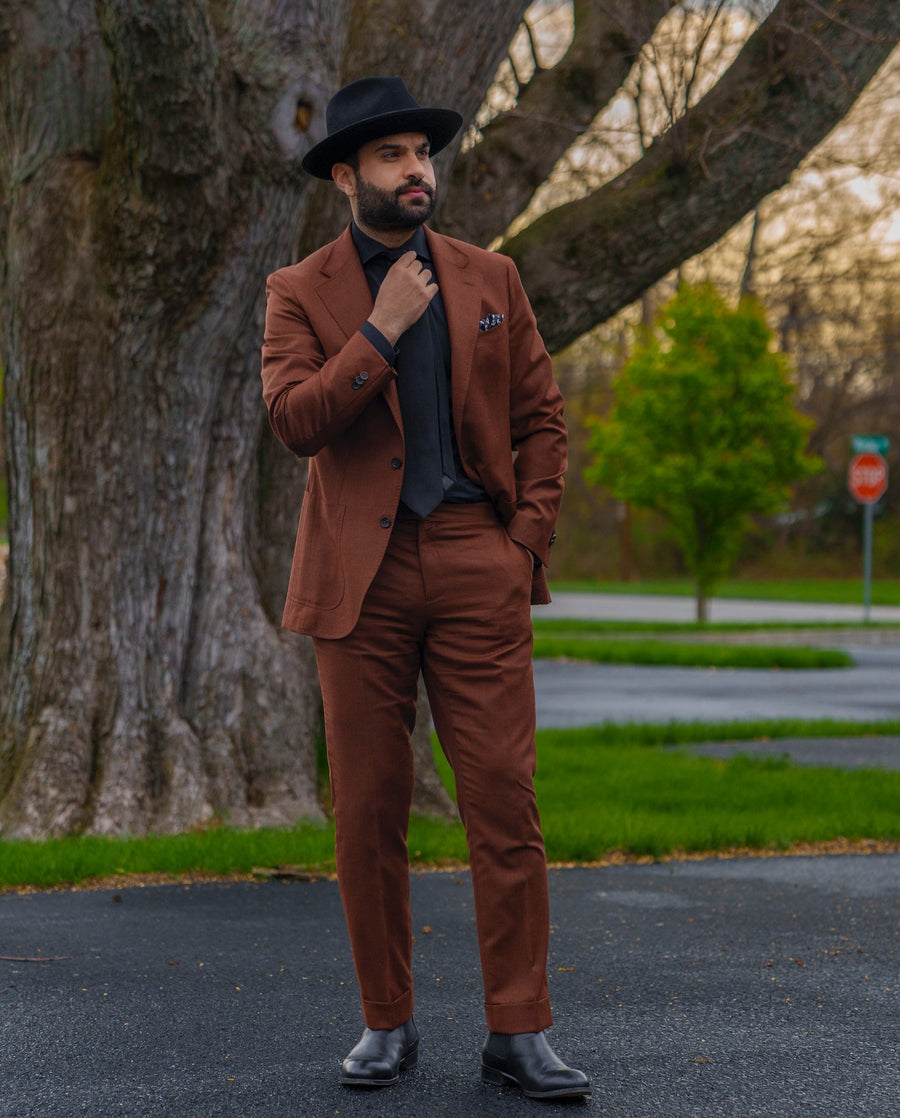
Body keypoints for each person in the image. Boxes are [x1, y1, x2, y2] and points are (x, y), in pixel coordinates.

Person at [260, 75, 588, 1101]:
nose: (417, 170)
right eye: (392, 155)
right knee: (368, 810)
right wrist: (381, 329)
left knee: (504, 800)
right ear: (346, 176)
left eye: (422, 153)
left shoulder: (492, 276)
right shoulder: (298, 290)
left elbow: (543, 420)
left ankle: (519, 1031)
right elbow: (295, 422)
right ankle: (386, 1021)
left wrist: (521, 544)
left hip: (475, 558)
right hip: (358, 579)